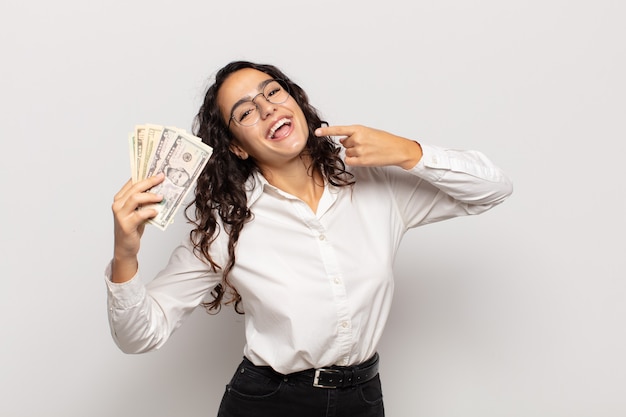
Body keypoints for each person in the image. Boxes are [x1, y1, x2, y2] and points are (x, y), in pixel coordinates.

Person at [107, 60, 513, 417]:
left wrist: (408, 151)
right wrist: (125, 252)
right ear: (237, 147)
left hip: (363, 399)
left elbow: (493, 188)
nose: (267, 108)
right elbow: (140, 335)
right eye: (246, 111)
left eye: (273, 92)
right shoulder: (227, 225)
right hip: (267, 404)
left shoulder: (374, 184)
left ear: (296, 102)